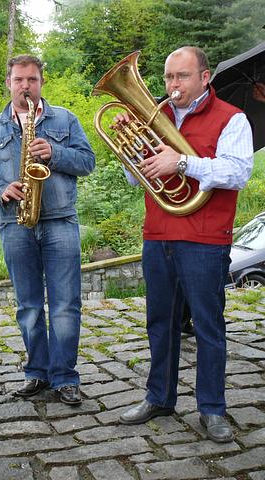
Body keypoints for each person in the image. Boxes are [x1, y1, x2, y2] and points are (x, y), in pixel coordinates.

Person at [115, 46, 253, 443]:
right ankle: (159, 397)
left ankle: (212, 408)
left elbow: (238, 172)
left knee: (208, 326)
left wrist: (181, 162)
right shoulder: (154, 116)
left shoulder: (232, 118)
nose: (173, 85)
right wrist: (130, 143)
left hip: (205, 240)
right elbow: (134, 178)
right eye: (169, 77)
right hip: (158, 236)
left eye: (182, 76)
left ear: (204, 78)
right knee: (160, 323)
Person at [0, 55, 96, 404]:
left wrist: (54, 153)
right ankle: (37, 372)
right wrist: (1, 190)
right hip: (15, 222)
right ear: (9, 83)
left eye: (32, 79)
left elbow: (87, 161)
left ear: (41, 82)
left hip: (60, 221)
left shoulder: (65, 119)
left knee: (65, 305)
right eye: (19, 80)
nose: (25, 86)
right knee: (28, 305)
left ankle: (65, 376)